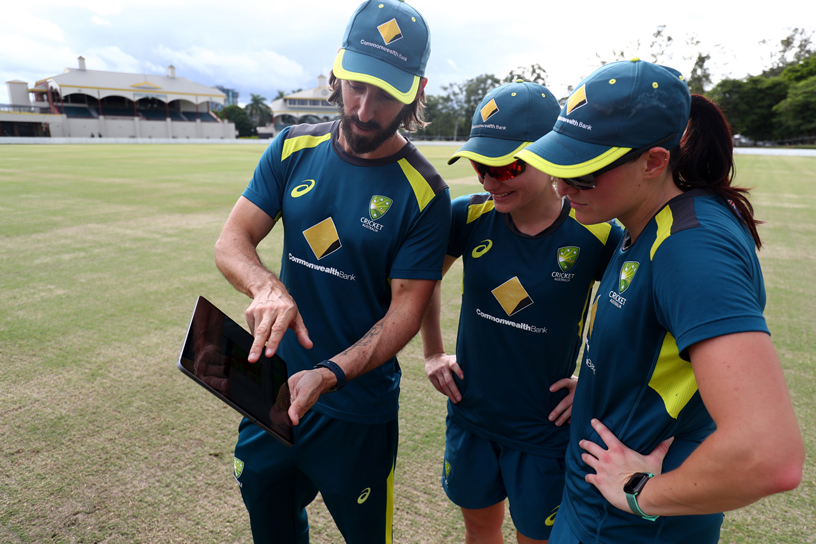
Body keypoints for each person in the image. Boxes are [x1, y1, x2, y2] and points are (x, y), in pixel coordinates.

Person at [515, 58, 804, 544]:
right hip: (594, 510)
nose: (563, 190)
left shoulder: (690, 249)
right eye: (560, 168)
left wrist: (639, 492)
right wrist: (597, 383)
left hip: (627, 527)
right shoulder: (646, 220)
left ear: (653, 162)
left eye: (584, 175)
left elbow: (769, 455)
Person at [213, 1, 451, 542]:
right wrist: (266, 287)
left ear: (416, 90)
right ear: (337, 72)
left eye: (386, 93)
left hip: (356, 410)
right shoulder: (293, 146)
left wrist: (330, 373)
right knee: (271, 525)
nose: (365, 110)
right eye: (356, 86)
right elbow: (232, 241)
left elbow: (405, 313)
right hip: (272, 391)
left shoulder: (425, 193)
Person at [421, 80, 624, 544]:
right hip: (471, 414)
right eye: (479, 166)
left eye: (506, 167)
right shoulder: (467, 216)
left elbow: (627, 316)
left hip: (543, 427)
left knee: (535, 537)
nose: (490, 181)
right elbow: (422, 281)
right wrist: (433, 352)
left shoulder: (596, 233)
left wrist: (594, 382)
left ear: (547, 155)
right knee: (480, 531)